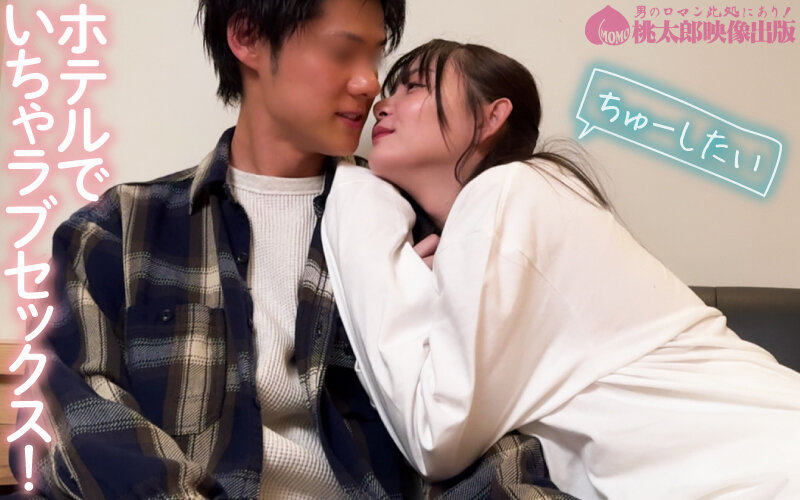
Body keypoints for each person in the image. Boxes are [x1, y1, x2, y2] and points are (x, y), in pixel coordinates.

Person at [14, 3, 577, 499]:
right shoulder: (119, 230)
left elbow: (486, 433)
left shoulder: (417, 233)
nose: (370, 84)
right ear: (248, 38)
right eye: (343, 52)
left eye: (375, 57)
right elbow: (64, 416)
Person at [322, 39, 800, 500]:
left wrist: (366, 218)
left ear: (490, 118)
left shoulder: (508, 191)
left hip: (760, 464)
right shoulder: (523, 204)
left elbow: (436, 434)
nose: (382, 105)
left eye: (415, 87)